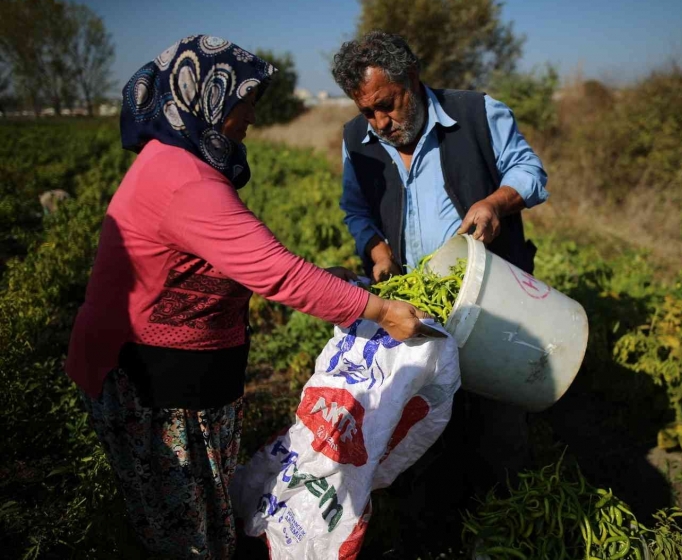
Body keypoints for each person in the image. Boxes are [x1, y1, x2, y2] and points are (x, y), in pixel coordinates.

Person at [65, 35, 435, 559]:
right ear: (210, 97)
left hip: (178, 375)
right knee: (187, 535)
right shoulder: (184, 179)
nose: (252, 118)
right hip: (154, 383)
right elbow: (276, 273)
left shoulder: (176, 160)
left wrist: (322, 276)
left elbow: (231, 259)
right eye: (247, 102)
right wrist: (380, 310)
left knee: (201, 519)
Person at [331, 30, 549, 551]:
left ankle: (508, 528)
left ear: (411, 78)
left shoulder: (476, 114)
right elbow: (356, 209)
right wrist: (377, 249)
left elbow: (531, 172)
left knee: (498, 423)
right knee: (427, 423)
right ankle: (437, 532)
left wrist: (495, 203)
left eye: (386, 106)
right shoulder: (358, 139)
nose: (380, 123)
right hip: (419, 308)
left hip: (493, 297)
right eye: (368, 112)